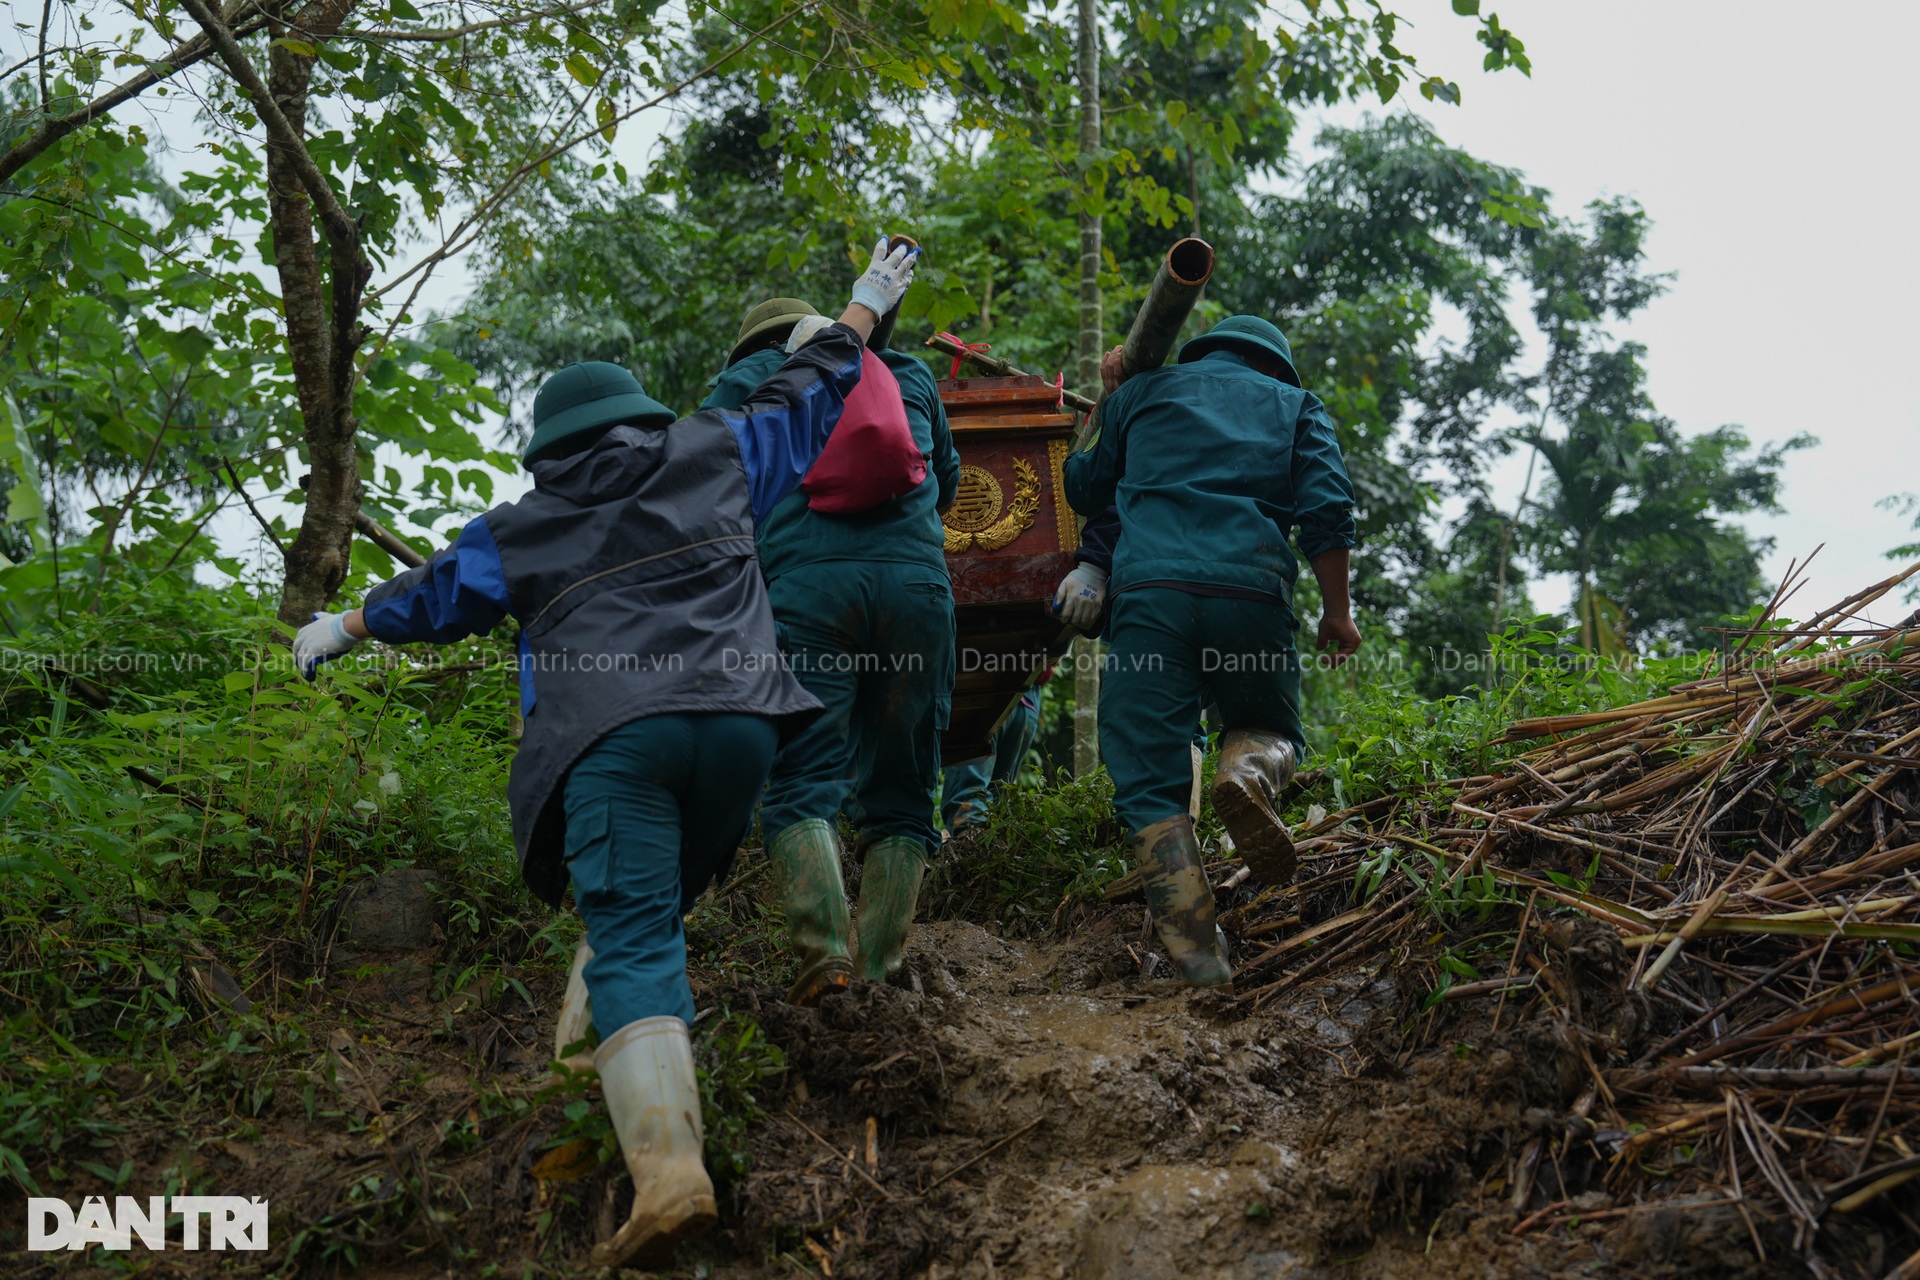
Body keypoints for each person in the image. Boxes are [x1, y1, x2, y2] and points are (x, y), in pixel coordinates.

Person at [288, 239, 919, 1270]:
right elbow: (809, 390)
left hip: (613, 738)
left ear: (552, 447)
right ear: (639, 419)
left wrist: (347, 624)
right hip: (741, 724)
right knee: (649, 907)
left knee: (627, 927)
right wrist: (861, 307)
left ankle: (669, 1173)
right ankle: (581, 1076)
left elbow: (439, 591)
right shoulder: (715, 446)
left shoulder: (528, 521)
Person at [1062, 314, 1359, 988]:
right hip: (1250, 594)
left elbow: (1082, 486)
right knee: (1269, 728)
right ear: (1276, 367)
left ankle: (1201, 960)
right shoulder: (1295, 405)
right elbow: (1327, 508)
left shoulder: (1145, 393)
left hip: (1150, 599)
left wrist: (1112, 399)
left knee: (1148, 781)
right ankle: (1248, 773)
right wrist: (1337, 613)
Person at [701, 296, 960, 997]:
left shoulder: (757, 373)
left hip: (810, 596)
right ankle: (880, 972)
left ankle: (825, 957)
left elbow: (696, 466)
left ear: (760, 343)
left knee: (801, 778)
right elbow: (948, 484)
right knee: (905, 788)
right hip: (917, 592)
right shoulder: (904, 370)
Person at [941, 683, 1043, 837]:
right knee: (998, 799)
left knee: (970, 797)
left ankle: (970, 846)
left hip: (985, 694)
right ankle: (990, 849)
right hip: (1027, 704)